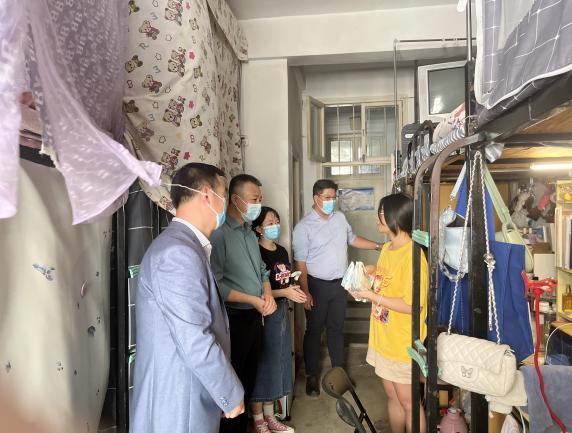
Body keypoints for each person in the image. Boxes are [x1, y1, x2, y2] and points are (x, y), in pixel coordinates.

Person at [131, 163, 244, 433]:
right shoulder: (177, 253)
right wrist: (229, 392)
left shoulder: (185, 246)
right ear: (206, 195)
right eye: (223, 195)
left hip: (188, 392)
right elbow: (195, 337)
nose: (226, 204)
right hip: (180, 400)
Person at [292, 179, 382, 396]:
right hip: (316, 285)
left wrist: (379, 245)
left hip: (340, 285)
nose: (332, 201)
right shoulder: (303, 227)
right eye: (327, 197)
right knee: (314, 331)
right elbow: (300, 263)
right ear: (316, 198)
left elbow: (353, 239)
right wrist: (306, 292)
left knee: (336, 329)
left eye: (334, 197)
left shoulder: (340, 218)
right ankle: (312, 376)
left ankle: (339, 373)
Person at [349, 193, 428, 433]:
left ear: (397, 217)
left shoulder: (414, 255)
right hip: (383, 338)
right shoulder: (388, 248)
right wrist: (370, 274)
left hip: (402, 343)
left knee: (410, 404)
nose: (377, 218)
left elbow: (413, 306)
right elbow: (386, 280)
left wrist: (372, 296)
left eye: (382, 213)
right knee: (393, 397)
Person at [210, 174, 278, 433]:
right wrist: (252, 299)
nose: (258, 204)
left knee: (249, 379)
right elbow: (216, 285)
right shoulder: (219, 234)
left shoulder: (249, 233)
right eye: (254, 199)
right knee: (232, 386)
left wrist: (267, 294)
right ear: (235, 199)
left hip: (254, 317)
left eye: (260, 199)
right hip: (233, 320)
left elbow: (262, 271)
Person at [250, 207, 307, 433]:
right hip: (264, 313)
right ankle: (258, 420)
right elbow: (256, 291)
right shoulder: (255, 252)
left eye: (276, 221)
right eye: (270, 222)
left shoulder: (281, 251)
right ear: (258, 228)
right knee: (263, 365)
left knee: (277, 364)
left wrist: (293, 287)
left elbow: (283, 282)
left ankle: (270, 415)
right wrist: (285, 292)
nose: (275, 226)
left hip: (282, 312)